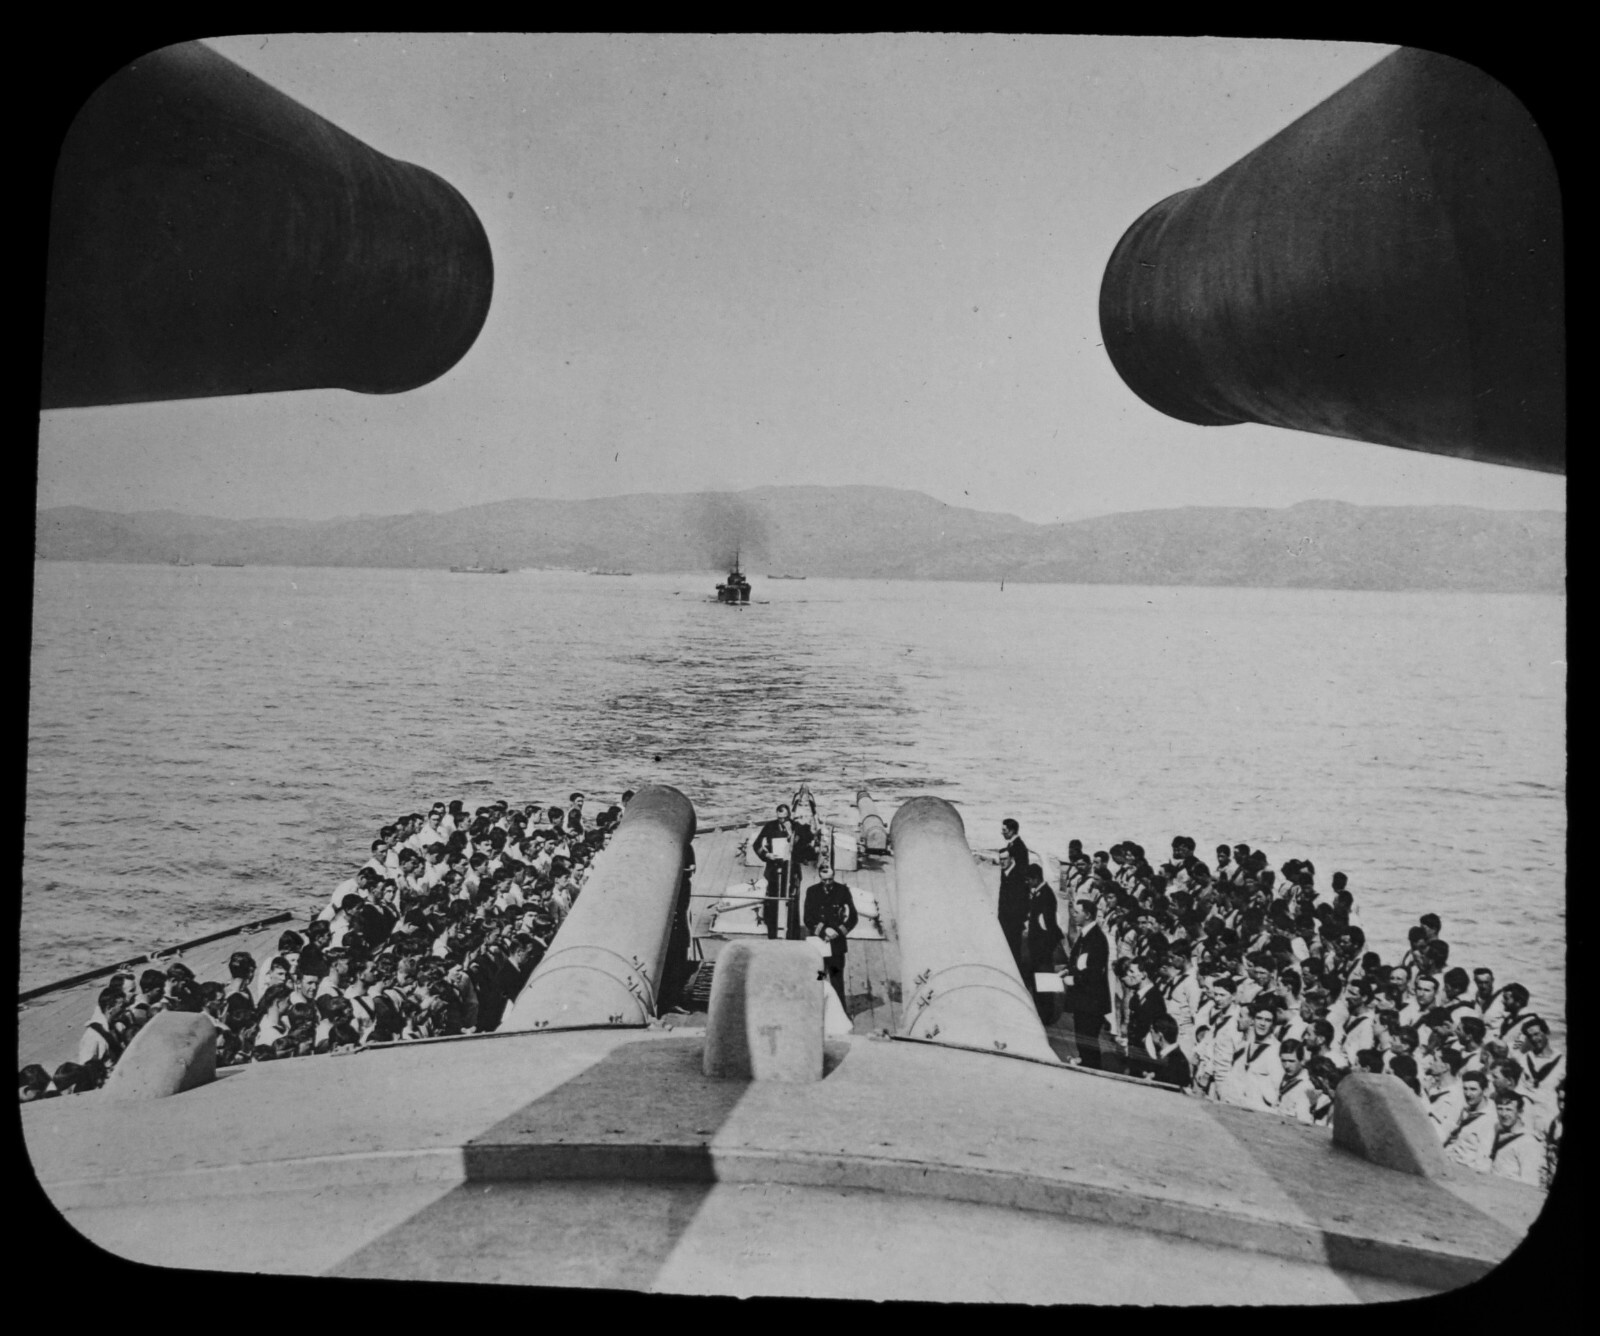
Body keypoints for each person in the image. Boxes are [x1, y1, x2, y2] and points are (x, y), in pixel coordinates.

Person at [1062, 897, 1111, 1068]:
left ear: (1088, 915)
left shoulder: (1097, 940)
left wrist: (1074, 979)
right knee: (1081, 1037)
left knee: (1088, 1039)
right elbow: (1077, 960)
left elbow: (1094, 972)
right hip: (1083, 999)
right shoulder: (1085, 935)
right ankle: (1084, 1061)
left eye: (1077, 912)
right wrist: (1068, 970)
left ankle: (1092, 1068)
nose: (1073, 915)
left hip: (1092, 1001)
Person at [802, 862, 859, 1007]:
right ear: (819, 877)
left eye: (830, 879)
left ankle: (840, 1011)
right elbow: (807, 918)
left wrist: (838, 932)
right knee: (818, 977)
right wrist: (823, 931)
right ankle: (816, 1008)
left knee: (836, 978)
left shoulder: (843, 891)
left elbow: (853, 917)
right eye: (824, 880)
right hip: (819, 945)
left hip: (836, 945)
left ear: (834, 876)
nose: (827, 883)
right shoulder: (812, 892)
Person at [1021, 864, 1064, 1022]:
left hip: (1043, 948)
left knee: (1044, 981)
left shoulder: (1045, 895)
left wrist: (1046, 947)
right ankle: (1043, 1012)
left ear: (1035, 879)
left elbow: (1048, 925)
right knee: (1039, 981)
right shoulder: (1040, 892)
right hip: (1039, 947)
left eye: (1028, 880)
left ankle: (1046, 1015)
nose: (1027, 883)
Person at [752, 803, 801, 940]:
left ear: (789, 816)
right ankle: (772, 933)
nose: (781, 821)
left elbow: (803, 847)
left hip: (791, 870)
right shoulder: (770, 826)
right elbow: (757, 845)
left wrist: (791, 834)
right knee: (772, 902)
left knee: (791, 902)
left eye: (784, 818)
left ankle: (792, 934)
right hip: (774, 870)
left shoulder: (797, 827)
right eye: (779, 818)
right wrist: (767, 855)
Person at [1441, 1071, 1496, 1171]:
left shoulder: (1490, 1119)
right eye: (1465, 1089)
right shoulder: (1465, 1109)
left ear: (1484, 1091)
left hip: (1465, 1169)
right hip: (1448, 1161)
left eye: (1473, 1089)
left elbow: (1483, 1157)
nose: (1468, 1094)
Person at [1488, 1090, 1544, 1186]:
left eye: (1509, 1109)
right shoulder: (1498, 1131)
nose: (1503, 1114)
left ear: (1520, 1112)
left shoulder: (1528, 1142)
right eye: (1500, 1109)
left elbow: (1530, 1183)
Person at [1277, 1039, 1318, 1124]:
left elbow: (1304, 1120)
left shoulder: (1307, 1086)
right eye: (1283, 1061)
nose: (1286, 1066)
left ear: (1302, 1061)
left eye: (1291, 1061)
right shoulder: (1283, 1077)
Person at [1149, 1014, 1191, 1089]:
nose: (1150, 1035)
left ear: (1159, 1036)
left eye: (1151, 1031)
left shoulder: (1174, 1062)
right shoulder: (1176, 1057)